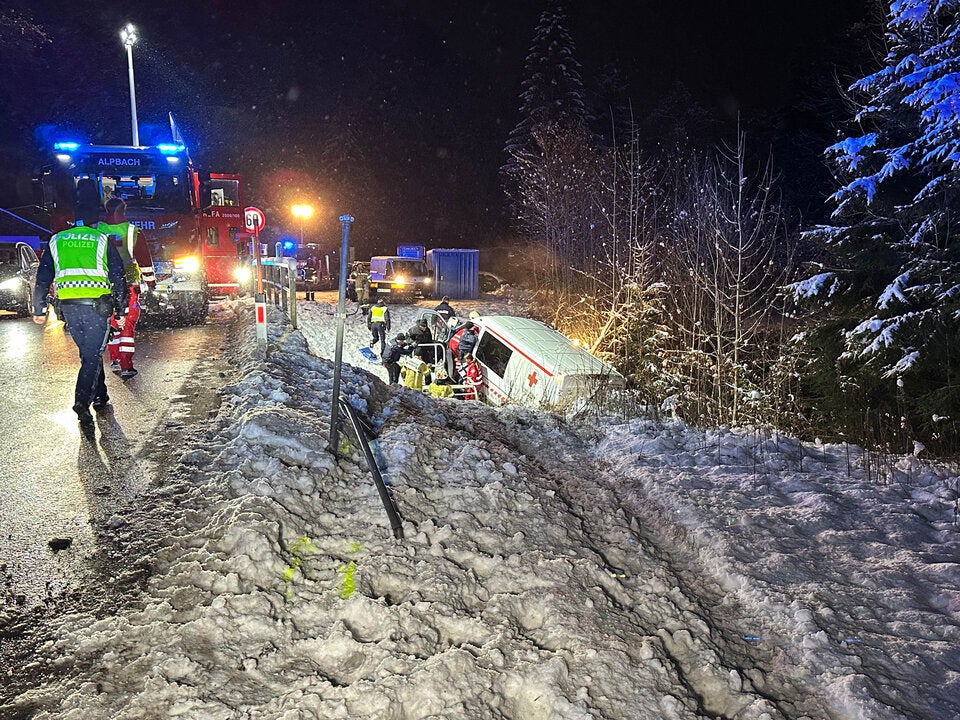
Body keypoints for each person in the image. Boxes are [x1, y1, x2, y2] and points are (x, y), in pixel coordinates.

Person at [34, 184, 129, 425]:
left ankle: (100, 395)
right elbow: (118, 275)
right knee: (92, 355)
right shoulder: (101, 239)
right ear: (95, 220)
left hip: (68, 307)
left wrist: (38, 308)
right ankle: (81, 401)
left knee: (89, 352)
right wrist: (121, 308)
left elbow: (44, 275)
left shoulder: (57, 240)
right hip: (97, 306)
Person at [99, 197, 154, 380]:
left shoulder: (97, 230)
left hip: (104, 284)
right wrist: (150, 281)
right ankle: (126, 364)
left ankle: (114, 358)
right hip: (128, 282)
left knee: (112, 320)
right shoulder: (132, 231)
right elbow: (144, 259)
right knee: (128, 322)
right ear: (124, 210)